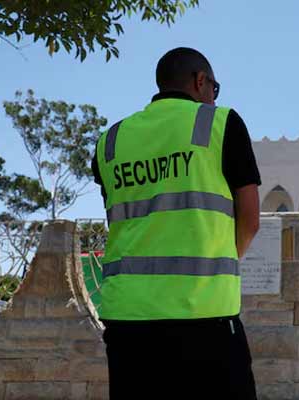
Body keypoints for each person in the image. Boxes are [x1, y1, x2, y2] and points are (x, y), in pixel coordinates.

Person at [92, 47, 261, 399]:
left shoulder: (110, 141)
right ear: (200, 81)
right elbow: (250, 220)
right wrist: (220, 264)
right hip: (205, 320)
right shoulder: (220, 124)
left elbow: (122, 221)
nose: (214, 98)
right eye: (213, 89)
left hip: (128, 323)